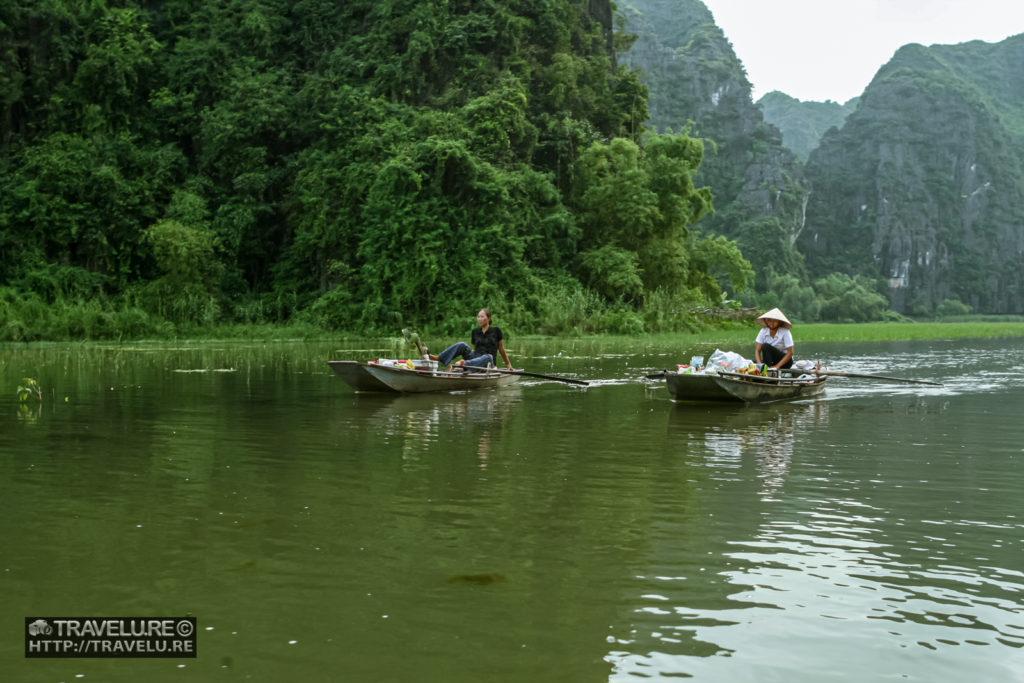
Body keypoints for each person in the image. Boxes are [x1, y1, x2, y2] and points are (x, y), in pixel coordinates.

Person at [431, 308, 514, 371]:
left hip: (488, 362)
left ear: (489, 319)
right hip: (475, 360)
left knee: (489, 356)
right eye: (478, 317)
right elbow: (475, 350)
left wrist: (508, 364)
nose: (479, 319)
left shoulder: (496, 330)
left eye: (482, 317)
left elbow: (501, 349)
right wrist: (469, 356)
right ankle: (440, 358)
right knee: (462, 345)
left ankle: (465, 365)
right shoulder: (475, 332)